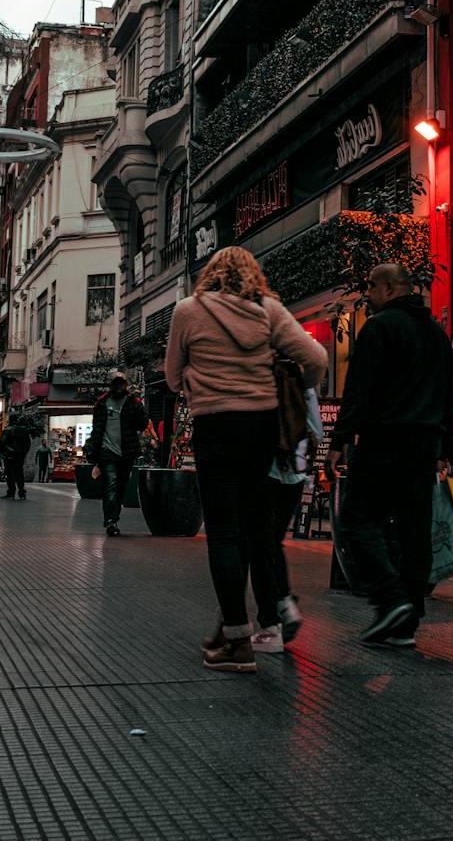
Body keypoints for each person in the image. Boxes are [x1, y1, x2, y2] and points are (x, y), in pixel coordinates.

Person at [165, 246, 327, 673]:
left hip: (214, 427)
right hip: (261, 429)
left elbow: (170, 375)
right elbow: (316, 359)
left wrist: (197, 384)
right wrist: (287, 384)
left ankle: (236, 638)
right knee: (252, 525)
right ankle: (251, 626)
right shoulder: (268, 309)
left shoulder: (187, 310)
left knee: (221, 531)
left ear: (210, 274)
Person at [329, 262, 453, 649]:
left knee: (357, 519)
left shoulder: (380, 327)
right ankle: (407, 621)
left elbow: (359, 389)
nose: (366, 294)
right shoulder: (437, 335)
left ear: (388, 288)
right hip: (422, 446)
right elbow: (448, 394)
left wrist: (339, 439)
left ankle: (391, 599)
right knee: (413, 529)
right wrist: (445, 446)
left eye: (370, 286)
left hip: (383, 440)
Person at [253, 383, 324, 653]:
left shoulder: (261, 376)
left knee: (260, 546)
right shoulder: (303, 384)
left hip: (265, 471)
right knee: (273, 542)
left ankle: (272, 622)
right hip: (295, 472)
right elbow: (316, 430)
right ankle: (284, 604)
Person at [87, 373, 150, 536]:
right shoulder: (102, 403)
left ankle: (114, 517)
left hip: (126, 454)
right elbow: (97, 429)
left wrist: (138, 407)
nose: (119, 387)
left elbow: (142, 424)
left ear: (126, 385)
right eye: (116, 384)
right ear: (111, 385)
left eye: (121, 384)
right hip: (107, 453)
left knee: (120, 486)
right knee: (111, 485)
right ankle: (110, 521)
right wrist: (93, 452)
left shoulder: (132, 403)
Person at [0, 412, 33, 500]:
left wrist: (3, 454)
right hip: (19, 457)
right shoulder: (23, 430)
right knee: (19, 474)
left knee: (9, 475)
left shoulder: (7, 429)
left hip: (9, 456)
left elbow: (2, 443)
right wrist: (23, 454)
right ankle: (21, 492)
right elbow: (28, 443)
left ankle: (11, 492)